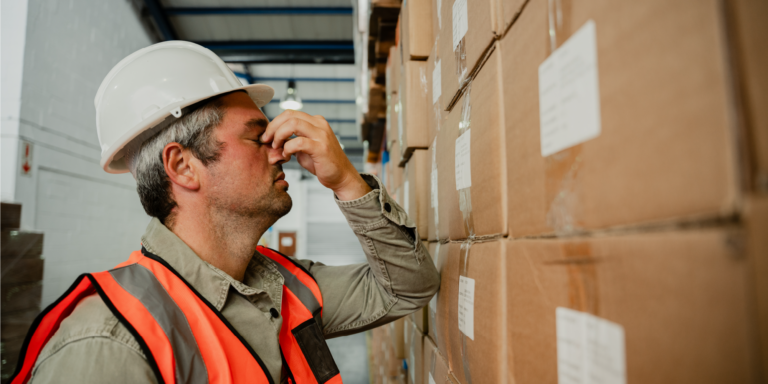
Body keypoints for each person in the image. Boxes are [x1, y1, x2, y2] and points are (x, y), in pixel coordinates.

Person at [11, 42, 439, 384]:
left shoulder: (285, 287)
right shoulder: (109, 343)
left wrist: (347, 182)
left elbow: (409, 287)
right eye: (258, 138)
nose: (281, 152)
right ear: (183, 166)